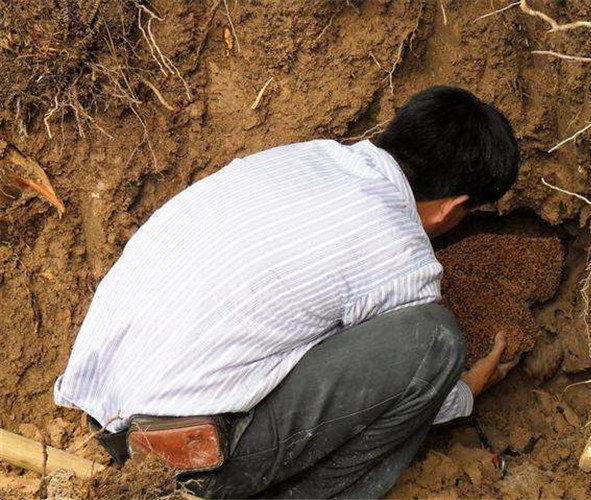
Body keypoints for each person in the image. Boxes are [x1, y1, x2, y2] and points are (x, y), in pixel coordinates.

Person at [54, 86, 521, 499]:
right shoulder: (403, 255)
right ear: (452, 208)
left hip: (103, 412)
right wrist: (464, 391)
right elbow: (412, 381)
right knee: (436, 340)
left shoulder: (306, 157)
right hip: (187, 455)